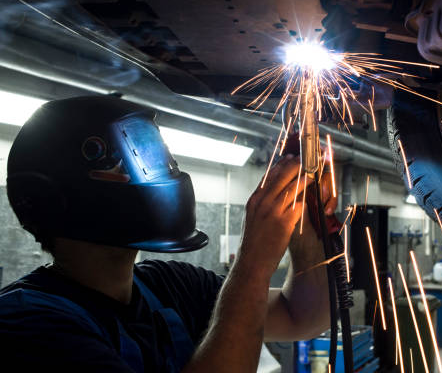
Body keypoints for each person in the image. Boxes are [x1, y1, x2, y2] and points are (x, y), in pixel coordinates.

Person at [0, 96, 336, 372]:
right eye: (126, 163)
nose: (159, 170)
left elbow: (302, 317)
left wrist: (303, 229)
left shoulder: (171, 286)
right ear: (65, 190)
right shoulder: (26, 324)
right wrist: (255, 261)